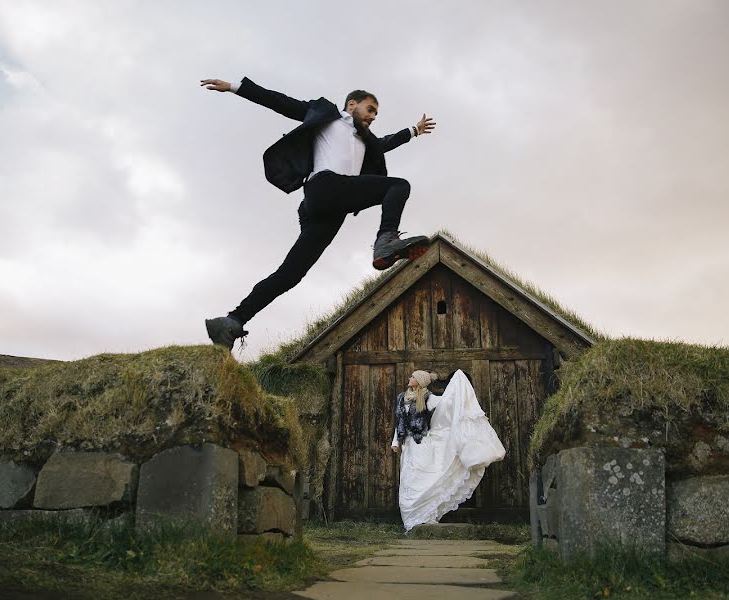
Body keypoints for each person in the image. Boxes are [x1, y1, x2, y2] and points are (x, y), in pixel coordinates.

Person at [199, 76, 437, 348]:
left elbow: (385, 142)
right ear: (352, 104)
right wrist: (233, 87)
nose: (373, 116)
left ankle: (231, 321)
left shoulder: (366, 140)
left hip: (331, 210)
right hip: (324, 186)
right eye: (370, 109)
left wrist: (414, 131)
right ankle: (386, 240)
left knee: (291, 273)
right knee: (398, 185)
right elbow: (281, 102)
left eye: (376, 113)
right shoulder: (327, 116)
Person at [391, 369, 506, 531]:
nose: (409, 378)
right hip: (407, 445)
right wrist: (396, 441)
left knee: (420, 476)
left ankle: (425, 514)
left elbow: (448, 403)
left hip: (422, 443)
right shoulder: (402, 398)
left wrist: (458, 385)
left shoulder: (428, 398)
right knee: (408, 478)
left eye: (413, 376)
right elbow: (399, 422)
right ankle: (411, 518)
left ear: (420, 381)